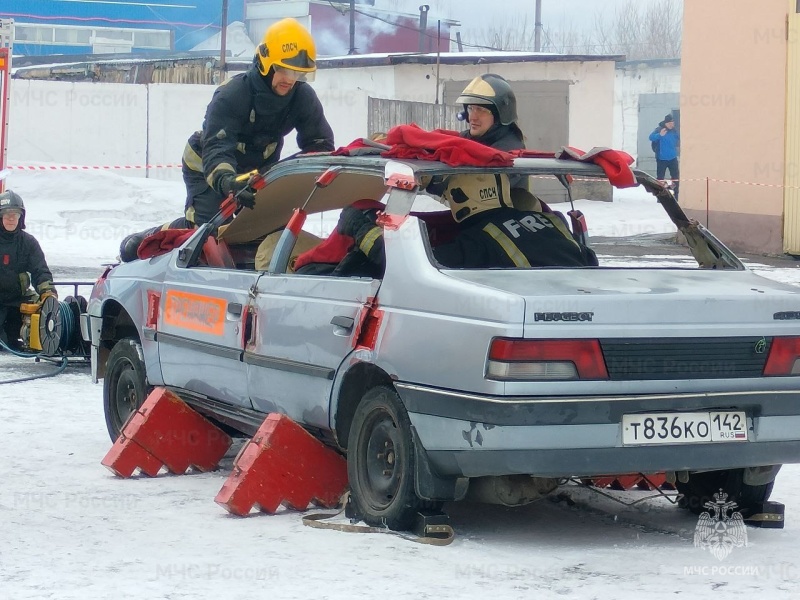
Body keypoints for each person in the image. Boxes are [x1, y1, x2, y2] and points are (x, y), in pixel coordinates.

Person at [181, 17, 335, 226]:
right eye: (285, 70)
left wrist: (286, 176)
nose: (290, 80)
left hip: (254, 172)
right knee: (209, 232)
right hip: (207, 166)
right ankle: (147, 241)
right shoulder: (232, 95)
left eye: (298, 73)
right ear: (266, 63)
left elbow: (320, 145)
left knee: (260, 229)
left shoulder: (302, 96)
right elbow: (217, 147)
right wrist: (228, 182)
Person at [336, 173, 596, 271]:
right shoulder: (553, 221)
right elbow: (589, 259)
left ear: (460, 199)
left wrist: (359, 227)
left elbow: (404, 264)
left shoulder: (478, 241)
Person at [0, 190, 57, 349]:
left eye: (15, 214)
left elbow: (40, 271)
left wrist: (47, 293)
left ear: (21, 217)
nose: (11, 218)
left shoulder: (28, 242)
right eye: (6, 214)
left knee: (45, 312)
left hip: (18, 300)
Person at [455, 73, 528, 192]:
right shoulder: (470, 139)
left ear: (499, 116)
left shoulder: (508, 152)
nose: (473, 117)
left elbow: (476, 187)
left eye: (481, 110)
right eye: (471, 108)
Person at [649, 113, 680, 199]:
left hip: (673, 158)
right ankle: (660, 196)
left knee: (675, 177)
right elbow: (651, 137)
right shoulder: (659, 129)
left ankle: (676, 194)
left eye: (673, 123)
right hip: (661, 158)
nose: (672, 125)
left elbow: (681, 137)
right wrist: (659, 135)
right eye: (670, 123)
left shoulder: (674, 131)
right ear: (666, 123)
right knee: (660, 178)